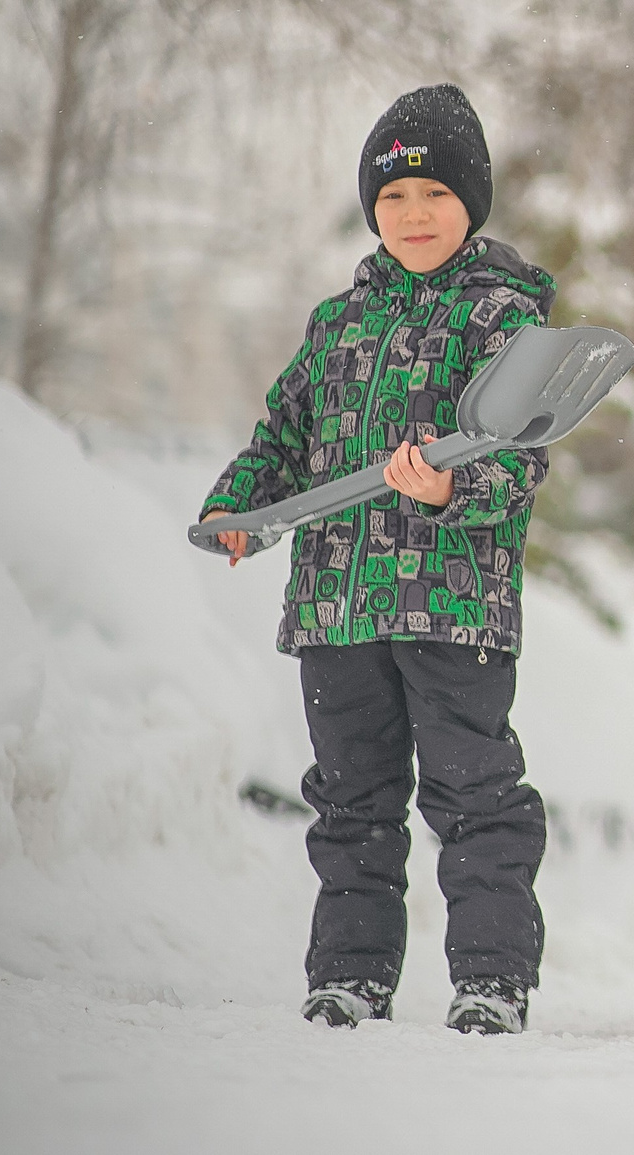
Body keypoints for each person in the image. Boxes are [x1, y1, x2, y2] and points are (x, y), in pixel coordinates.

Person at [194, 85, 554, 1035]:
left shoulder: (502, 321)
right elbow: (286, 433)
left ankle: (490, 977)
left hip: (451, 605)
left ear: (470, 201)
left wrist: (449, 489)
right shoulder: (336, 323)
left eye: (434, 193)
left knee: (473, 793)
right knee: (351, 800)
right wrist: (243, 501)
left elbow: (520, 462)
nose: (414, 215)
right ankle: (351, 973)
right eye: (394, 198)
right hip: (337, 605)